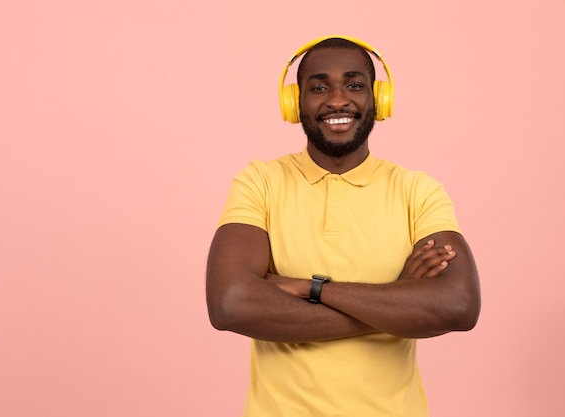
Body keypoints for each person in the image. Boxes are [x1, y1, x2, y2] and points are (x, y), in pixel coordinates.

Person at [205, 35, 481, 417]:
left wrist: (308, 287)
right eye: (319, 87)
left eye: (354, 84)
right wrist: (396, 301)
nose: (337, 100)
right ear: (294, 102)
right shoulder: (259, 182)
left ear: (379, 99)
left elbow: (458, 306)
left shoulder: (417, 190)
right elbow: (230, 304)